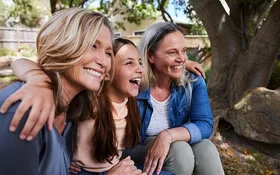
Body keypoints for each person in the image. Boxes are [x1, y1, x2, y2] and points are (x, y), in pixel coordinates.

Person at [0, 8, 146, 175]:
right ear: (62, 44)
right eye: (92, 46)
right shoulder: (22, 110)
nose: (103, 61)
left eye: (107, 53)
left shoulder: (74, 112)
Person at [121, 22, 224, 175]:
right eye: (172, 52)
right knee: (180, 151)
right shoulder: (134, 79)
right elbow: (113, 60)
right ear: (150, 56)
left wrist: (167, 135)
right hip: (135, 147)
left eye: (184, 51)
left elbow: (205, 124)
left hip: (173, 143)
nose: (182, 58)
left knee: (206, 148)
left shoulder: (193, 80)